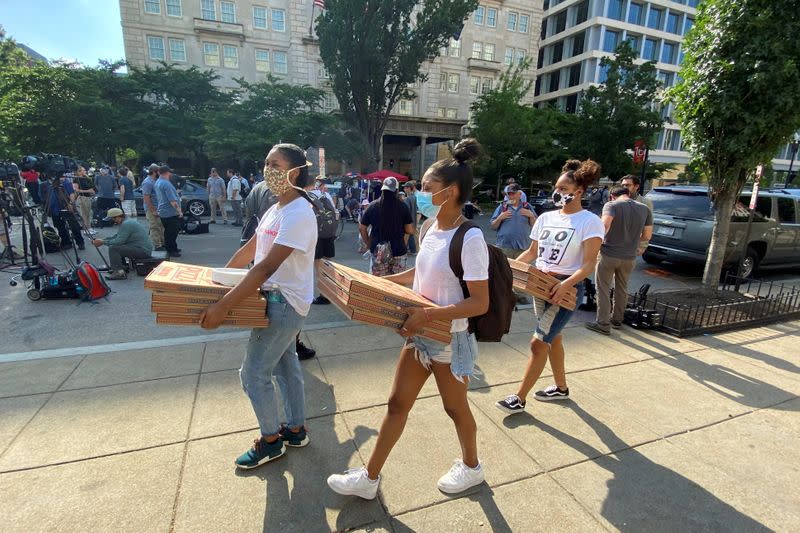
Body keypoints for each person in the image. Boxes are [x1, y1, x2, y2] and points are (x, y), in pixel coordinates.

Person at [328, 139, 490, 499]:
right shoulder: (430, 227)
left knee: (455, 408)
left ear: (449, 192)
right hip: (419, 334)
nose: (418, 192)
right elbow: (420, 273)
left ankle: (472, 467)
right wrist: (379, 282)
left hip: (451, 338)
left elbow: (479, 302)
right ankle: (369, 479)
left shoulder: (471, 237)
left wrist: (428, 315)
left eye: (427, 188)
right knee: (397, 404)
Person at [199, 143, 317, 469]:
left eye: (275, 164)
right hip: (276, 300)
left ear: (294, 171)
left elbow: (265, 268)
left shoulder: (299, 213)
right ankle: (295, 429)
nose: (268, 170)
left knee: (252, 374)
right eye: (266, 163)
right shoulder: (275, 209)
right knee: (286, 366)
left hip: (284, 304)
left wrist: (224, 305)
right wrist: (216, 282)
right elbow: (250, 252)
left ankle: (270, 441)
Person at [496, 159, 604, 414]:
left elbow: (589, 265)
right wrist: (508, 269)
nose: (558, 193)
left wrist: (566, 285)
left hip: (566, 291)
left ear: (579, 192)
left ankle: (519, 398)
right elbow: (532, 253)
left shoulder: (590, 222)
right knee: (552, 339)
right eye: (557, 188)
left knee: (538, 342)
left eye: (564, 189)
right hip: (540, 286)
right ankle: (561, 388)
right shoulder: (545, 218)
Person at [586, 186, 653, 335]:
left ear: (612, 196)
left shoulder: (611, 205)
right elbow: (647, 235)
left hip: (609, 253)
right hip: (629, 256)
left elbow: (604, 226)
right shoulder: (644, 209)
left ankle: (602, 323)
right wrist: (632, 240)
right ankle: (617, 320)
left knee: (603, 288)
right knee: (622, 288)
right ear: (628, 194)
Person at [359, 178, 414, 276]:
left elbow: (362, 228)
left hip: (378, 252)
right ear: (396, 191)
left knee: (380, 284)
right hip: (399, 251)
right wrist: (404, 243)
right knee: (397, 284)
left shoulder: (373, 206)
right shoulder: (403, 206)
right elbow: (409, 230)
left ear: (382, 190)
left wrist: (369, 244)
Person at [92, 207, 153, 280]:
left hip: (143, 251)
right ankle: (122, 267)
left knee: (114, 248)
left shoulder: (126, 224)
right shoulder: (127, 222)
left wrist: (102, 242)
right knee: (118, 246)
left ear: (118, 217)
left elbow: (118, 241)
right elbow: (117, 237)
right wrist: (102, 240)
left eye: (113, 219)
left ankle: (119, 272)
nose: (113, 221)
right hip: (142, 249)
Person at [309, 182, 337, 305]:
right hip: (329, 234)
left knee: (318, 267)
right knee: (328, 266)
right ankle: (330, 293)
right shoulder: (326, 196)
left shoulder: (308, 196)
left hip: (317, 236)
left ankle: (323, 296)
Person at [42, 173, 85, 250]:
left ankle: (80, 242)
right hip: (54, 209)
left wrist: (71, 203)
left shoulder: (65, 182)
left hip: (66, 207)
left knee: (74, 226)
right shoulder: (45, 184)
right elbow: (43, 196)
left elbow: (71, 193)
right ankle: (66, 243)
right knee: (60, 227)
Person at [620, 174, 653, 255]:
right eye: (623, 185)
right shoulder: (616, 201)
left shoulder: (645, 203)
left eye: (627, 185)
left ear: (636, 186)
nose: (624, 187)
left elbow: (648, 225)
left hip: (632, 246)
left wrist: (642, 246)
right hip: (614, 246)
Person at [155, 165, 182, 257]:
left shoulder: (158, 182)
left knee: (169, 231)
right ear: (167, 173)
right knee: (172, 232)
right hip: (170, 212)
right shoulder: (166, 184)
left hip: (163, 210)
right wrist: (179, 211)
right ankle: (171, 250)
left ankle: (173, 247)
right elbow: (172, 201)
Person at [141, 164, 165, 251]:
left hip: (159, 207)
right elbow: (146, 198)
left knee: (161, 226)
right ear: (155, 172)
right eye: (159, 172)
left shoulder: (156, 181)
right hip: (152, 208)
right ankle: (157, 245)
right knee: (154, 226)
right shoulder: (147, 182)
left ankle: (162, 243)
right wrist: (153, 210)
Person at [403, 181, 419, 254]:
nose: (404, 189)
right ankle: (413, 250)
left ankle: (409, 250)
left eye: (406, 187)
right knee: (411, 235)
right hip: (414, 219)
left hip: (408, 220)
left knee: (407, 234)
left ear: (410, 188)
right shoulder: (415, 198)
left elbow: (406, 211)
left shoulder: (407, 199)